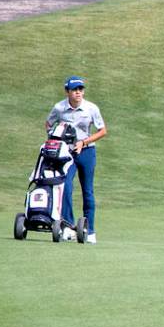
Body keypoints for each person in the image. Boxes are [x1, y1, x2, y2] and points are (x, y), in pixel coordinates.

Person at [45, 76, 107, 243]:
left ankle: (90, 230)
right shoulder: (59, 108)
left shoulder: (91, 108)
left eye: (81, 89)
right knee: (65, 186)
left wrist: (84, 142)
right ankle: (68, 227)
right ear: (67, 92)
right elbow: (48, 125)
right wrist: (56, 141)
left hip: (87, 152)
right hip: (66, 154)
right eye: (75, 89)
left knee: (88, 191)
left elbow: (102, 131)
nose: (78, 92)